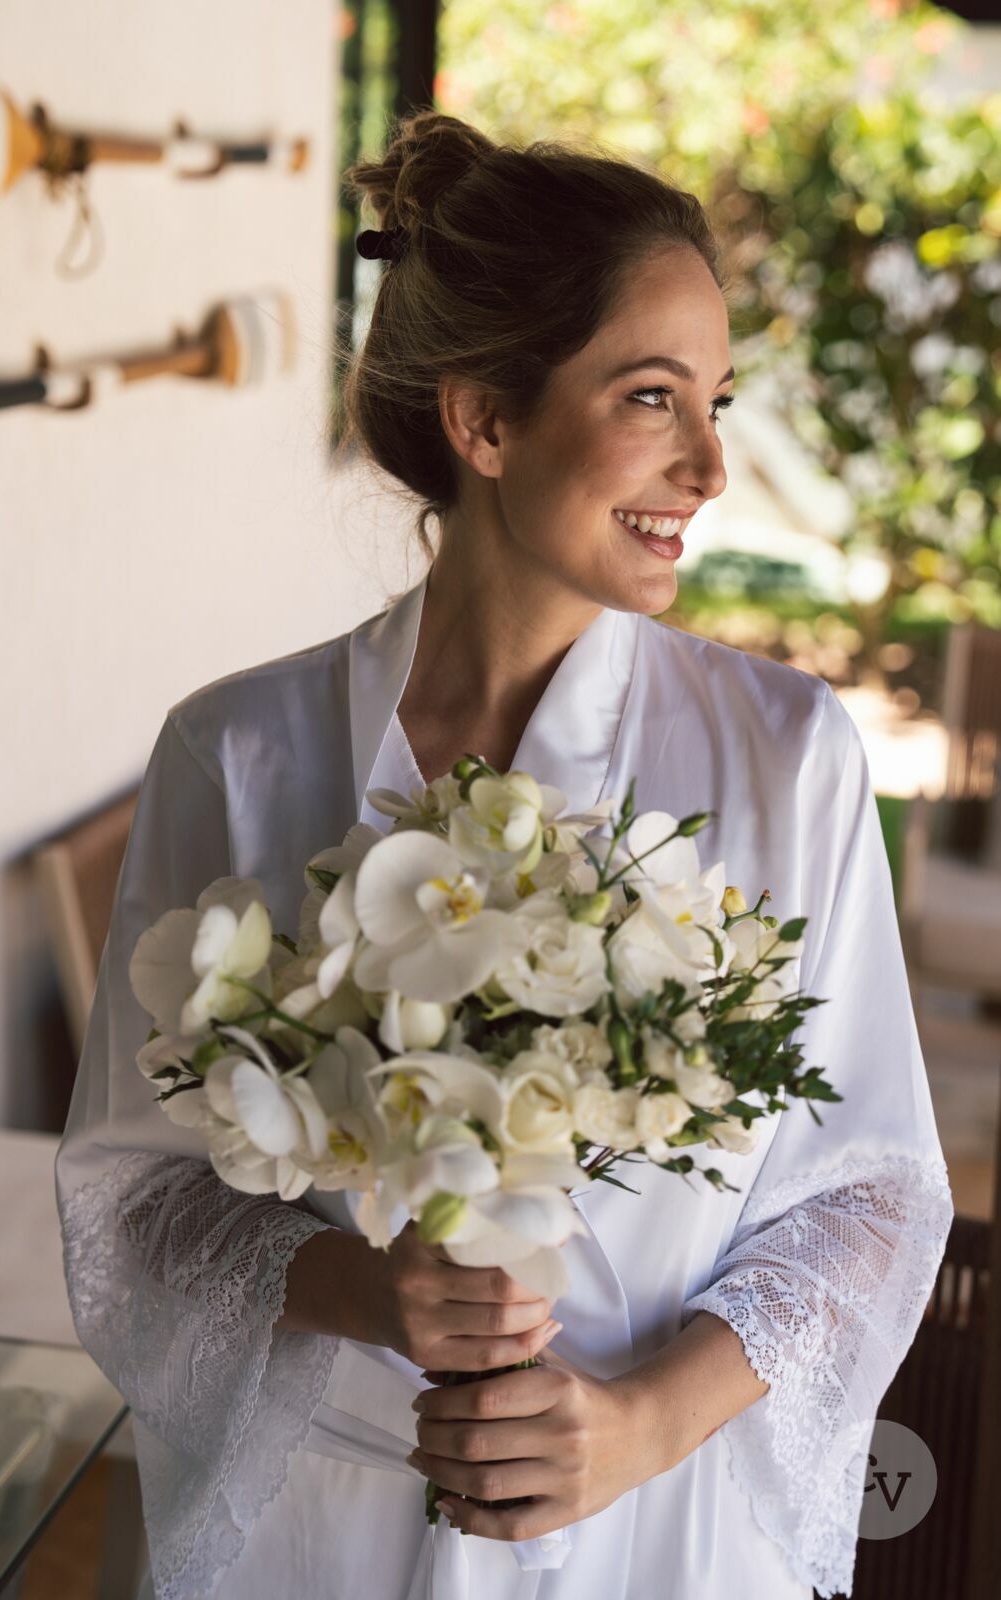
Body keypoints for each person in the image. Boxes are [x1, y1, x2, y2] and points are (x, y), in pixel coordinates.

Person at [54, 111, 954, 1600]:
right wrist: (369, 1290)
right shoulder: (239, 753)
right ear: (484, 423)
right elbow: (137, 1202)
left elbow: (871, 1194)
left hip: (651, 1530)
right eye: (653, 398)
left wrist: (641, 1425)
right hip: (322, 1531)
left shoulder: (787, 755)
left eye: (718, 399)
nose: (712, 465)